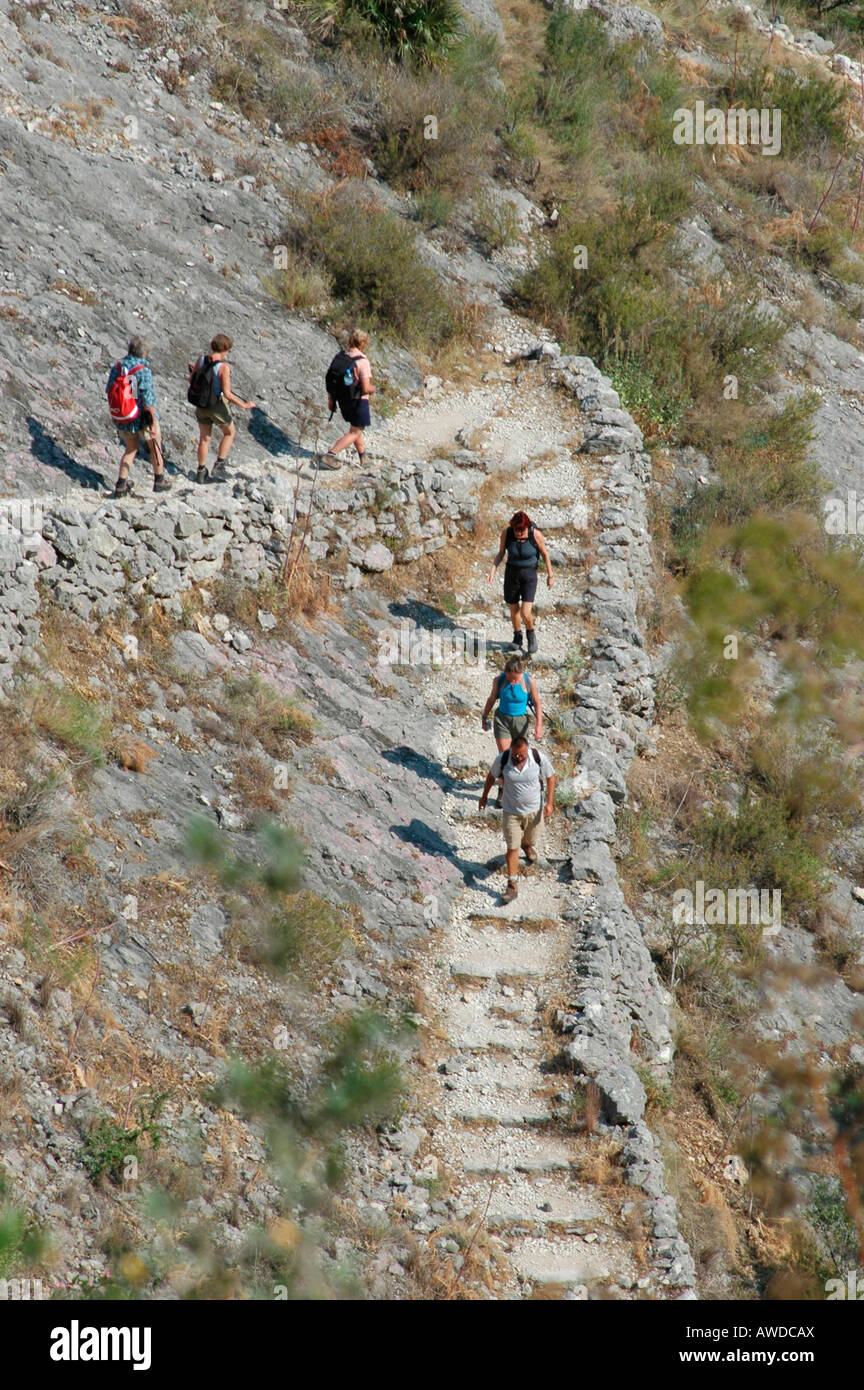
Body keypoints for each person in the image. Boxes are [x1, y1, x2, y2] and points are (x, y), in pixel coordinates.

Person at [479, 735, 556, 904]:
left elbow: (551, 777)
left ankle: (527, 845)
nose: (518, 757)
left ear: (527, 750)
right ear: (512, 750)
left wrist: (550, 803)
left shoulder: (538, 758)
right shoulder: (503, 759)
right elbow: (491, 777)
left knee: (531, 838)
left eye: (521, 755)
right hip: (511, 812)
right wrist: (484, 796)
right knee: (512, 847)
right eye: (515, 754)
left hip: (534, 810)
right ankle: (512, 884)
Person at [106, 337, 170, 498]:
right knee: (155, 446)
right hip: (142, 416)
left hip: (124, 415)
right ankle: (159, 480)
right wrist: (153, 422)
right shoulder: (143, 370)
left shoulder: (118, 367)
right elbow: (148, 399)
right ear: (143, 352)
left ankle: (121, 484)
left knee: (130, 449)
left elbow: (109, 389)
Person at [188, 333, 254, 485]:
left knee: (204, 438)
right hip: (216, 405)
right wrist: (244, 405)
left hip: (201, 405)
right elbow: (227, 393)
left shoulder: (202, 360)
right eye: (228, 350)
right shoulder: (223, 367)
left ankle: (201, 472)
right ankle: (219, 466)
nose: (228, 353)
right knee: (230, 432)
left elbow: (191, 379)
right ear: (224, 349)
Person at [487, 510, 554, 655]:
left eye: (521, 531)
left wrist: (550, 575)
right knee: (513, 608)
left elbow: (545, 554)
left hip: (529, 575)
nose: (519, 534)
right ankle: (517, 636)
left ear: (527, 527)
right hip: (512, 573)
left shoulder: (535, 534)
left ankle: (531, 634)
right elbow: (501, 553)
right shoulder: (507, 533)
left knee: (525, 612)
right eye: (516, 530)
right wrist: (493, 569)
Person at [480, 656, 544, 806]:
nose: (513, 682)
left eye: (516, 679)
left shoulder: (529, 681)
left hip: (521, 722)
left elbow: (537, 703)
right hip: (502, 720)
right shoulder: (499, 680)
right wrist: (484, 717)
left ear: (521, 674)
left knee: (521, 754)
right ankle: (503, 789)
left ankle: (532, 780)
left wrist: (539, 725)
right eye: (510, 679)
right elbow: (491, 699)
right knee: (505, 756)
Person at [319, 328, 374, 470]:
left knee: (355, 428)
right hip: (358, 401)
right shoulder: (362, 361)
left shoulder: (341, 355)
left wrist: (331, 400)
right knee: (356, 431)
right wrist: (374, 389)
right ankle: (330, 455)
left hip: (343, 400)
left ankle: (363, 457)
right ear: (363, 343)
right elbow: (366, 388)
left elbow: (332, 378)